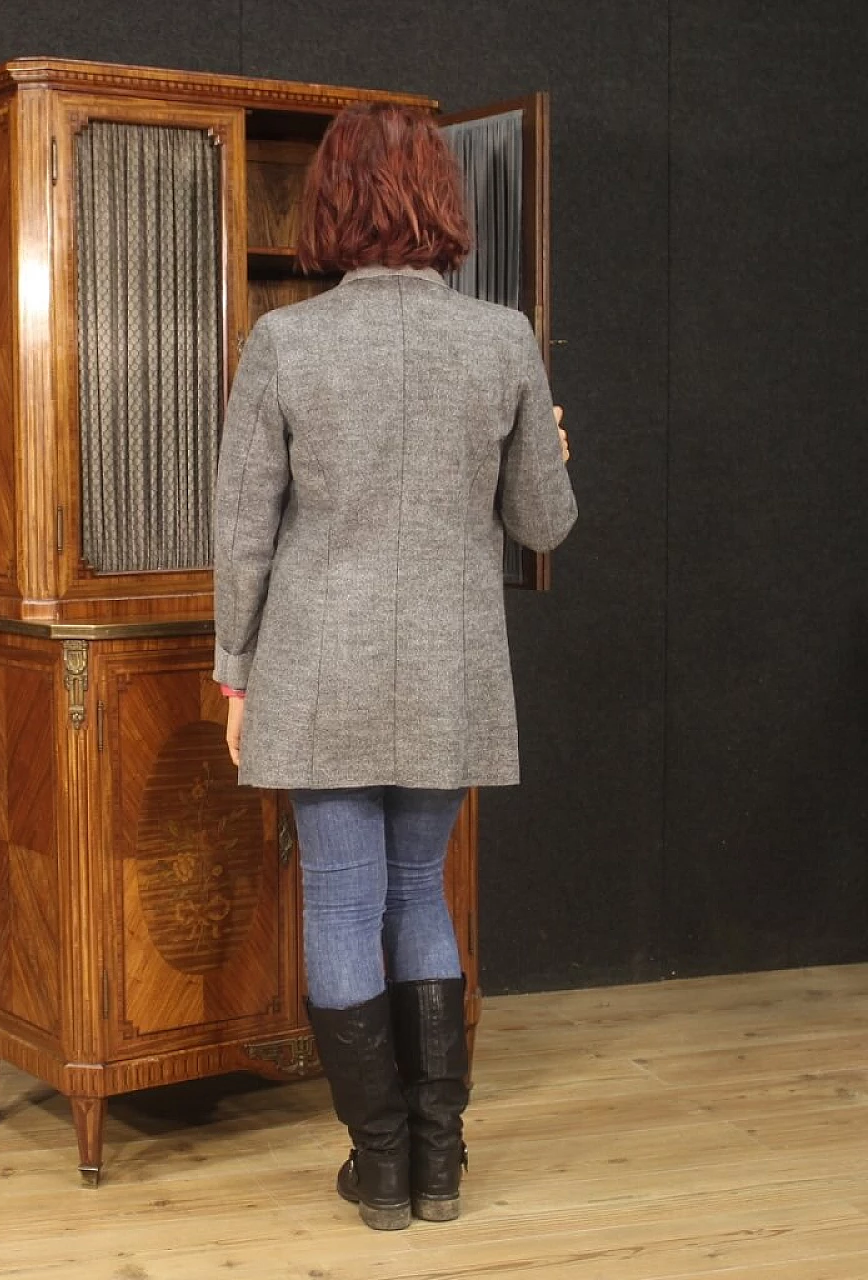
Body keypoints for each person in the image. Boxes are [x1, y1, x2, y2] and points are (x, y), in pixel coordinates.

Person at [212, 103, 576, 1232]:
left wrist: (232, 673)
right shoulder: (502, 339)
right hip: (449, 663)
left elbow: (241, 530)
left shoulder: (285, 342)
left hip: (317, 662)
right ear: (443, 201)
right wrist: (552, 449)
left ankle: (375, 1167)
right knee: (418, 891)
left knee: (341, 896)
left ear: (331, 202)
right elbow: (542, 523)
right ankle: (438, 1161)